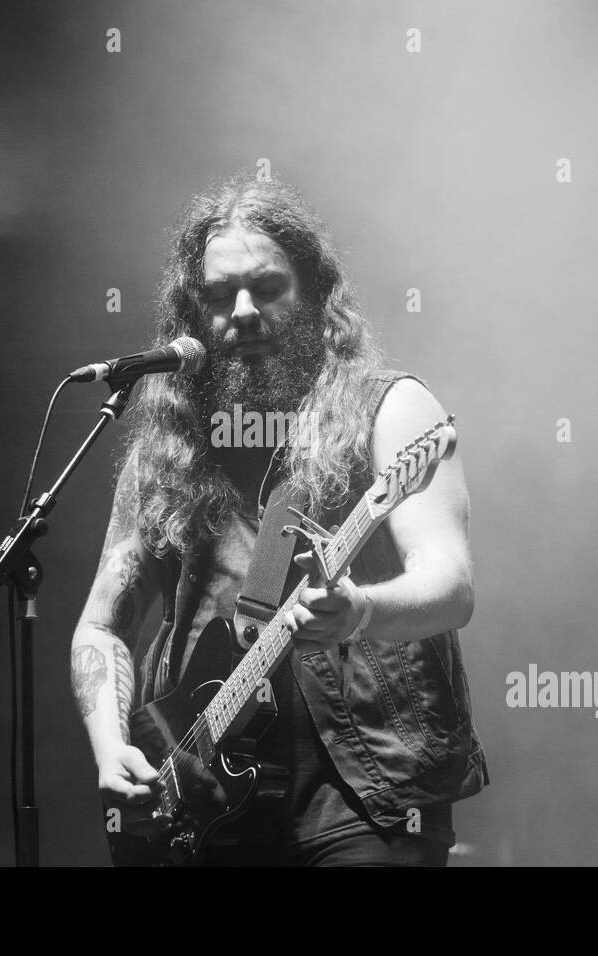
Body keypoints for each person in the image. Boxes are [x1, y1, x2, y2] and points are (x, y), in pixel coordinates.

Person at [70, 172, 488, 866]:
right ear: (190, 313)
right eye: (218, 295)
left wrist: (356, 611)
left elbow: (451, 584)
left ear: (316, 294)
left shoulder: (392, 411)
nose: (243, 311)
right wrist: (112, 749)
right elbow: (102, 624)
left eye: (267, 288)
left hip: (365, 791)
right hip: (203, 801)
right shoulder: (165, 448)